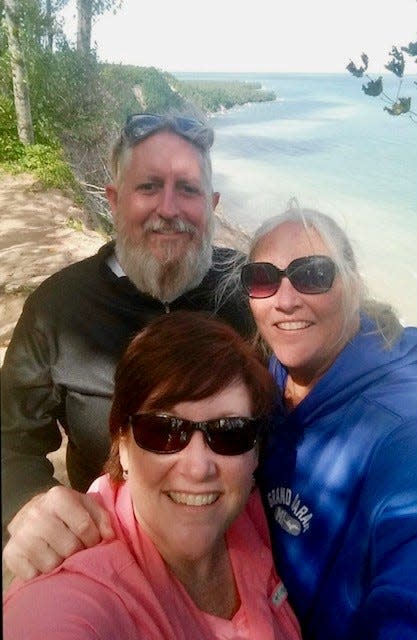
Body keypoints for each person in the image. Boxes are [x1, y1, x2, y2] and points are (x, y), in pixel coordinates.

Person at [1, 112, 254, 555]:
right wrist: (26, 503)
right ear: (115, 200)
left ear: (212, 206)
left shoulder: (251, 291)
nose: (169, 210)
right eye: (149, 187)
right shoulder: (59, 309)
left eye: (188, 189)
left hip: (247, 550)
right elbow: (9, 433)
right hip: (112, 555)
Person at [3, 311, 301, 640]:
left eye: (229, 432)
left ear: (255, 451)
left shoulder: (249, 514)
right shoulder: (69, 595)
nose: (199, 467)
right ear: (123, 445)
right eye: (163, 431)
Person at [239, 207, 417, 640]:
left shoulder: (398, 430)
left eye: (313, 275)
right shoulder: (272, 375)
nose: (284, 300)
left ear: (352, 286)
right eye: (263, 277)